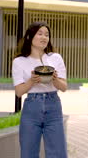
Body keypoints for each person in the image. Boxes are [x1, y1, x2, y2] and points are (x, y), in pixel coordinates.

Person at [12, 21, 68, 158]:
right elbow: (19, 92)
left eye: (47, 35)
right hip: (32, 107)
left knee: (58, 153)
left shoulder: (55, 58)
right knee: (28, 152)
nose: (44, 37)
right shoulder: (19, 61)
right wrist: (32, 81)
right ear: (30, 37)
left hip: (53, 105)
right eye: (40, 34)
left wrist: (54, 79)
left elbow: (64, 87)